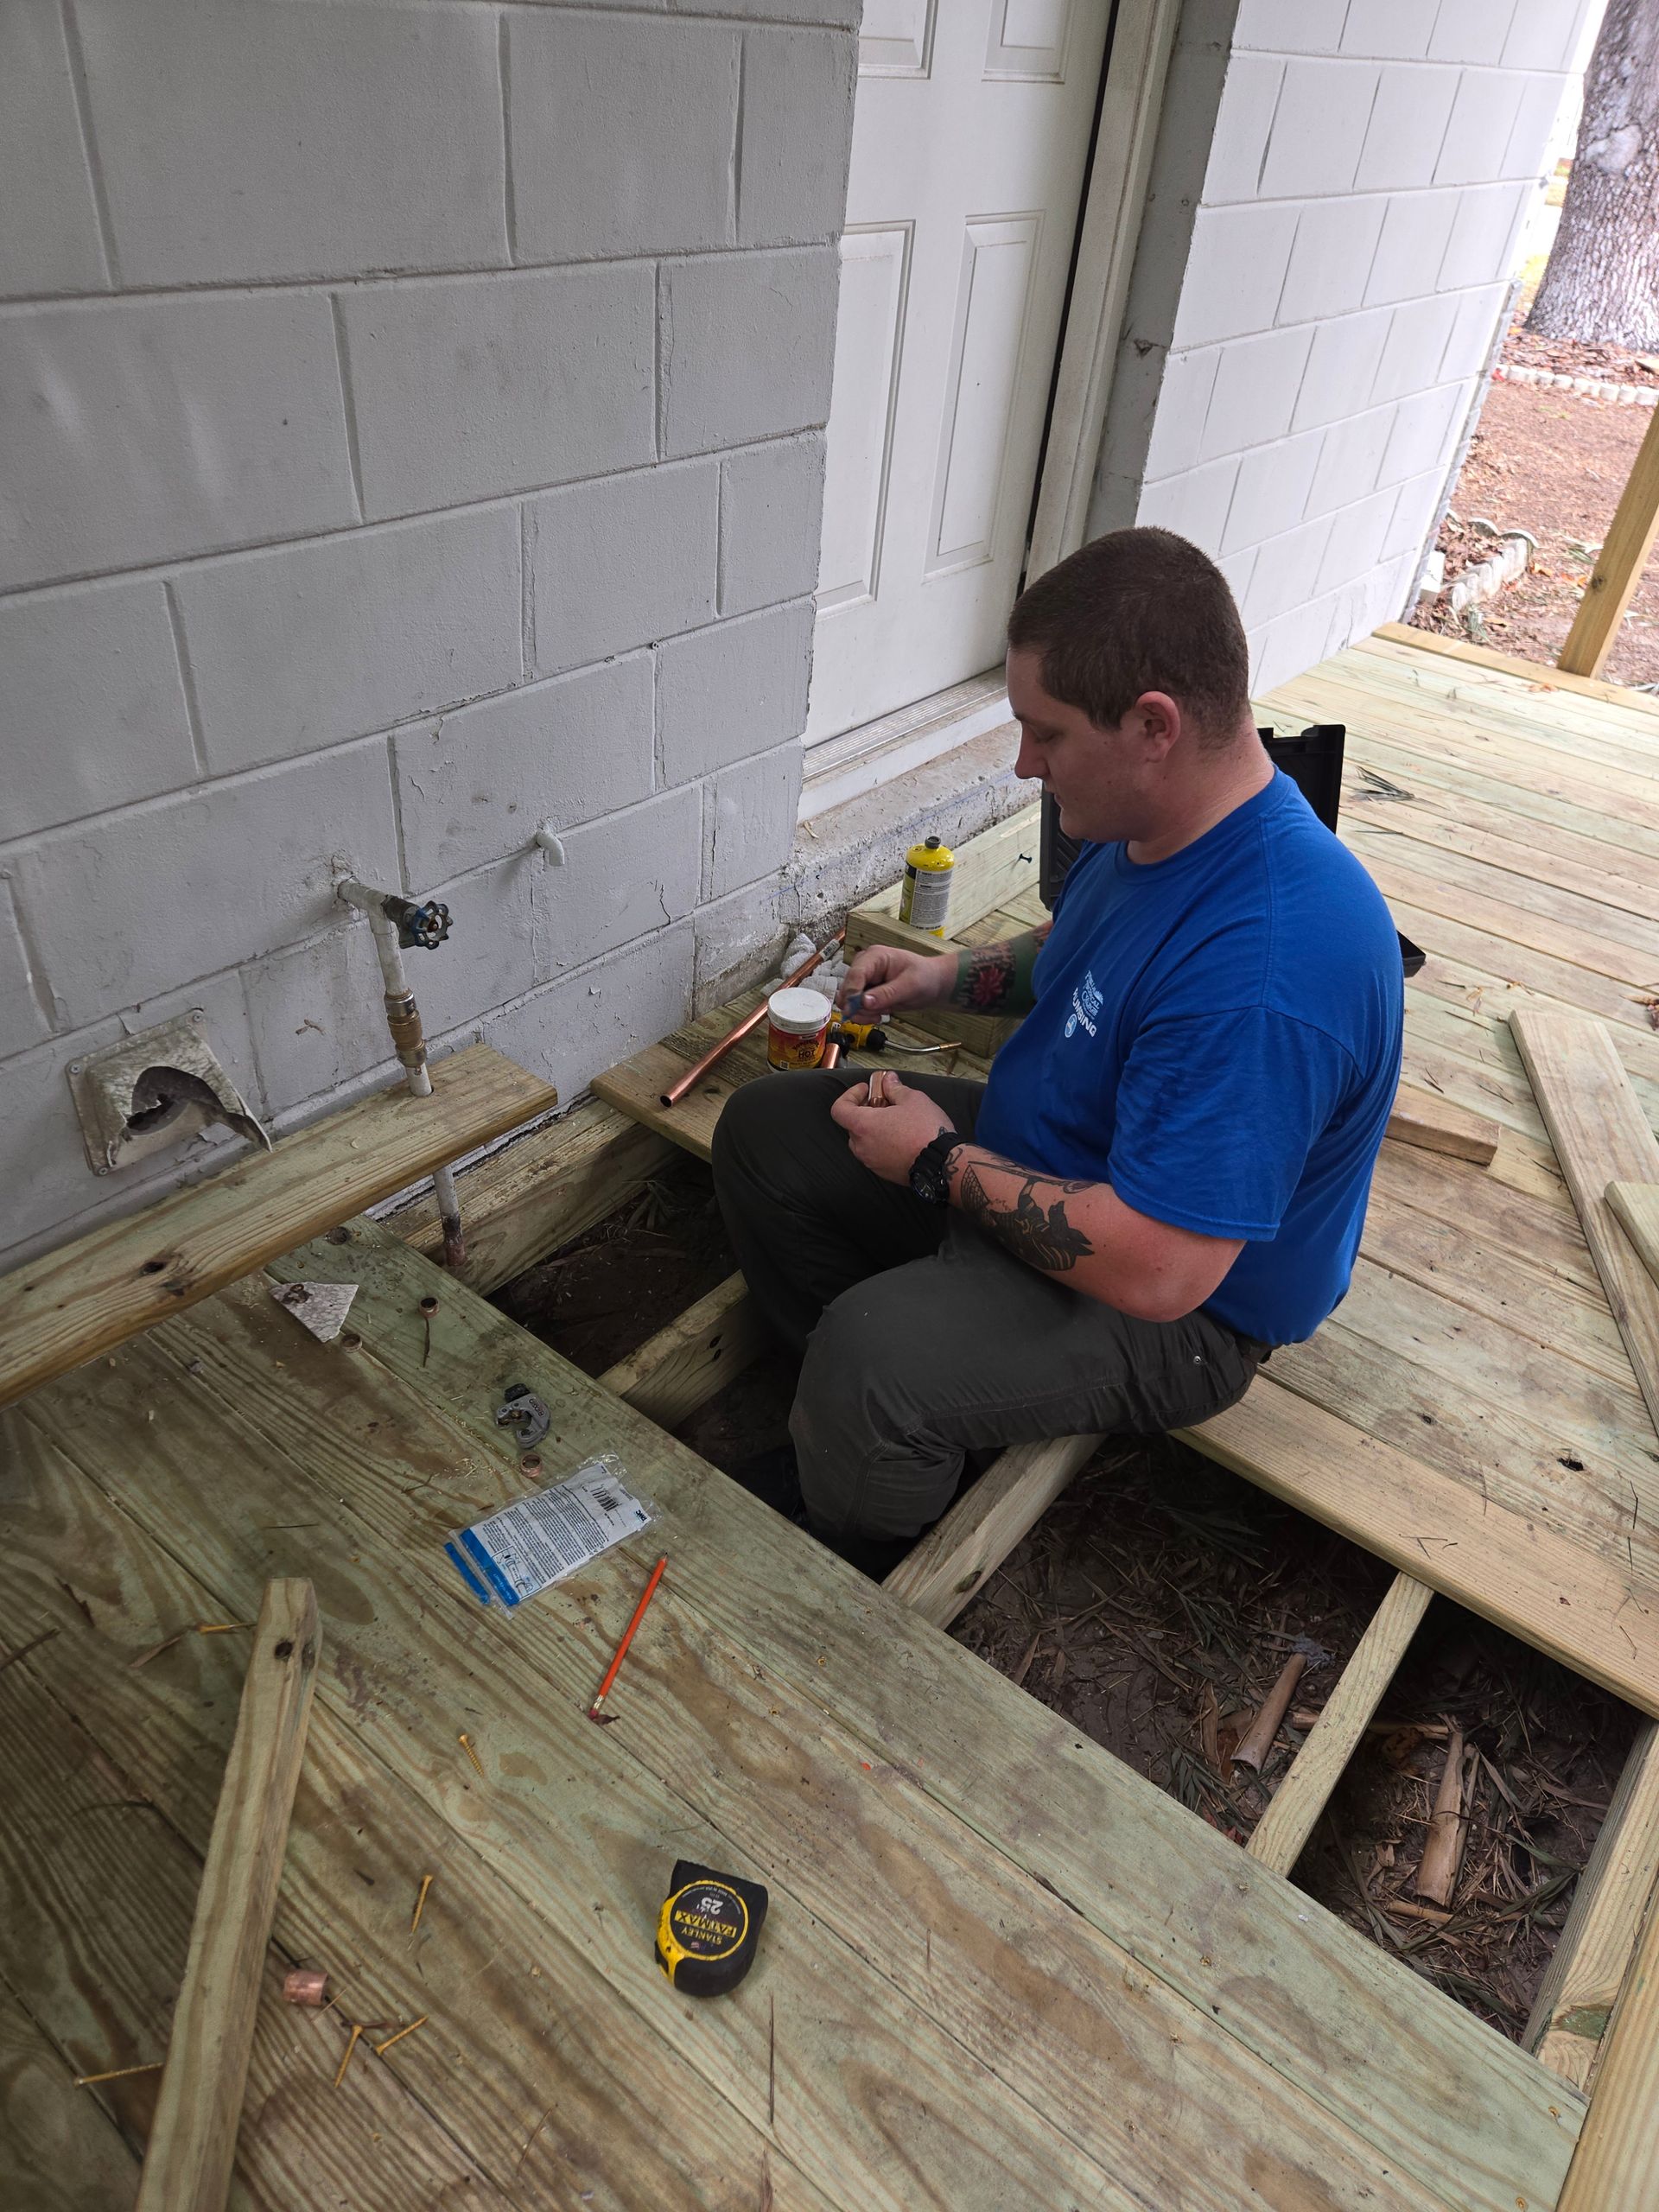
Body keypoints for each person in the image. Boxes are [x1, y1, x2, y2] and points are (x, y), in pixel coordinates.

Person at [712, 528, 1404, 1576]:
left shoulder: (1270, 967)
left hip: (1181, 1305)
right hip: (1067, 1156)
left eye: (1045, 733)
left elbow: (1166, 1267)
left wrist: (941, 1163)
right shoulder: (1156, 824)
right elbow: (1079, 942)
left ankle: (859, 1521)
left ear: (1153, 725)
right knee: (771, 1133)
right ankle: (879, 1415)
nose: (1023, 762)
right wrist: (949, 976)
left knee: (873, 1353)